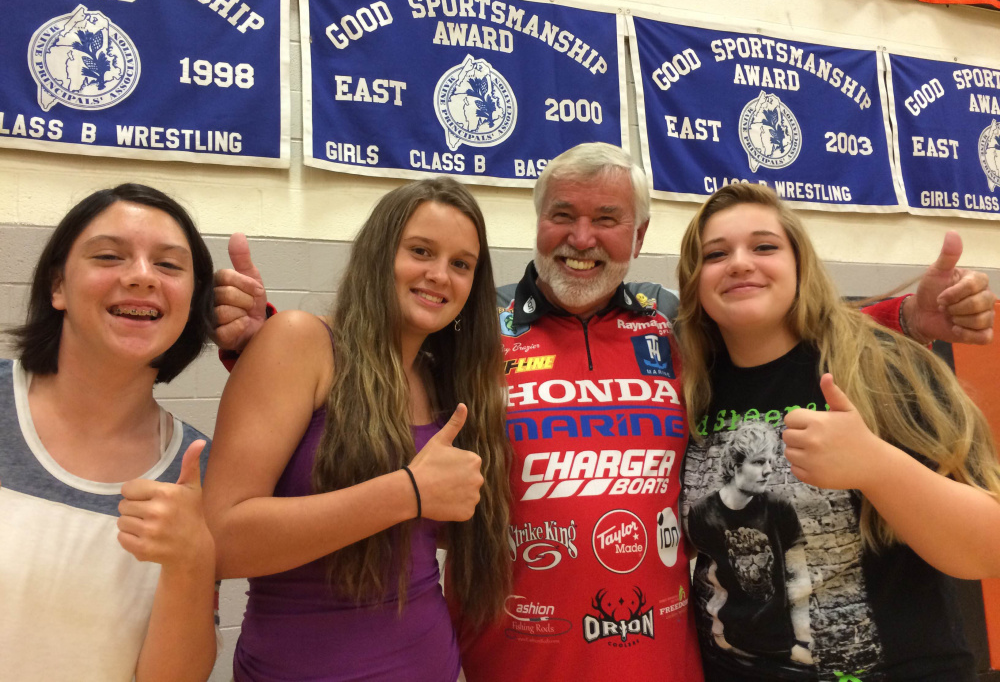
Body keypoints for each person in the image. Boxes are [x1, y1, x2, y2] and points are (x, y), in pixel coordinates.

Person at [211, 143, 996, 681]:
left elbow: (773, 323)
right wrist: (263, 336)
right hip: (507, 655)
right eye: (563, 216)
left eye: (607, 220)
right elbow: (370, 363)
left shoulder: (672, 328)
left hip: (670, 660)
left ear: (639, 234)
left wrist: (902, 313)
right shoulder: (472, 332)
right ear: (537, 221)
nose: (581, 239)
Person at [676, 182, 1000, 681]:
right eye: (716, 254)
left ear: (800, 265)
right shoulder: (690, 391)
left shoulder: (878, 366)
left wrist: (875, 464)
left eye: (765, 246)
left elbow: (989, 549)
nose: (740, 263)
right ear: (695, 281)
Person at [201, 177, 511, 682]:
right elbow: (220, 540)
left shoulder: (446, 384)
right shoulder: (302, 340)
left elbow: (427, 537)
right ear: (378, 254)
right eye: (420, 251)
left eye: (461, 264)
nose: (439, 275)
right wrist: (407, 491)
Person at [0, 184, 217, 682]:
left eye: (168, 265)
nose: (142, 277)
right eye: (109, 256)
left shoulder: (197, 468)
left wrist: (192, 561)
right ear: (57, 286)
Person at [686, 421, 813, 668]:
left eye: (770, 462)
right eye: (758, 462)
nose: (768, 471)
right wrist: (719, 637)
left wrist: (803, 642)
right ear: (735, 467)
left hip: (782, 645)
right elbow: (710, 579)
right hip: (728, 650)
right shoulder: (702, 513)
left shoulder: (779, 507)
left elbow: (799, 577)